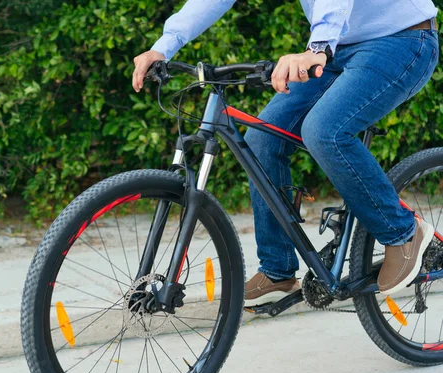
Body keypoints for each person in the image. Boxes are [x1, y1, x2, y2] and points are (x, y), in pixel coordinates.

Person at [132, 1, 440, 306]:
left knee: (324, 131)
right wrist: (163, 47)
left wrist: (317, 46)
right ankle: (277, 269)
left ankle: (403, 233)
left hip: (402, 39)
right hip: (338, 48)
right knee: (262, 139)